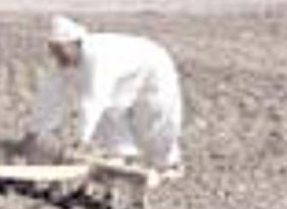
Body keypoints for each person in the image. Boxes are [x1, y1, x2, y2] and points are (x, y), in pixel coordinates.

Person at [23, 15, 184, 179]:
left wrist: (81, 141)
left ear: (76, 44)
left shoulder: (98, 57)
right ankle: (122, 155)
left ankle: (168, 164)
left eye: (60, 49)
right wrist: (36, 131)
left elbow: (93, 101)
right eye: (53, 50)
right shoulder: (61, 61)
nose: (56, 55)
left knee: (153, 115)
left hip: (153, 69)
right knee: (111, 112)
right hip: (124, 76)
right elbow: (49, 96)